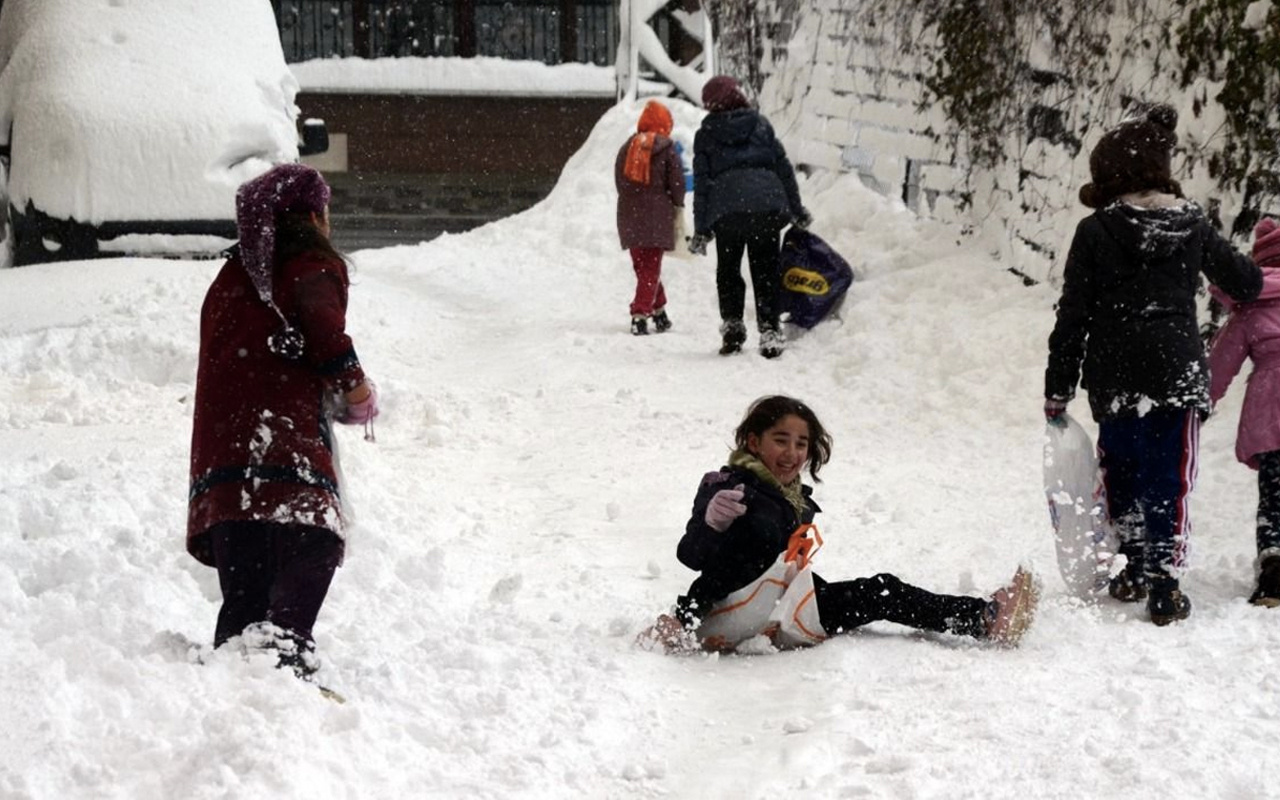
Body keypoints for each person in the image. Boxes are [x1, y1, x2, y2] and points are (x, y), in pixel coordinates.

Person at [1043, 103, 1262, 626]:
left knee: (1121, 471)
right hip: (1175, 373)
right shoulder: (1192, 225)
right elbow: (1245, 282)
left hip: (1115, 375)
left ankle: (1132, 567)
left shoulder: (1094, 232)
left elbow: (1073, 314)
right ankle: (1165, 581)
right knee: (1170, 477)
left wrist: (1058, 386)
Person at [638, 396, 1038, 654]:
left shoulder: (792, 497)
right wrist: (711, 527)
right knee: (883, 592)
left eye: (801, 444)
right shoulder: (728, 488)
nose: (792, 453)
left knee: (878, 590)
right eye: (781, 440)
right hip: (731, 613)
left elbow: (774, 565)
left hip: (773, 602)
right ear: (754, 442)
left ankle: (983, 617)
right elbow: (694, 557)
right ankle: (986, 620)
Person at [187, 163, 379, 677]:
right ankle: (282, 648)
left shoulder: (229, 278)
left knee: (246, 582)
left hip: (224, 456)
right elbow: (324, 332)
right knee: (315, 539)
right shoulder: (311, 265)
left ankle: (235, 671)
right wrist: (357, 390)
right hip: (282, 439)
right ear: (312, 215)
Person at [688, 76, 810, 359]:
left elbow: (703, 185)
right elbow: (784, 169)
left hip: (727, 212)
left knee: (728, 269)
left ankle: (733, 326)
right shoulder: (760, 125)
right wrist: (797, 209)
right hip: (766, 209)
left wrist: (702, 229)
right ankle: (769, 331)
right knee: (765, 270)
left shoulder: (706, 134)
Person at [1208, 217, 1280, 607]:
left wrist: (1197, 405)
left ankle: (1275, 575)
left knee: (1275, 500)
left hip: (1272, 418)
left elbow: (1219, 367)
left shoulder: (1251, 311)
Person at [615, 99, 686, 336]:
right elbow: (677, 181)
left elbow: (619, 180)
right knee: (651, 267)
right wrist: (677, 204)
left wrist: (632, 201)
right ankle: (640, 314)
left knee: (643, 266)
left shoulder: (627, 147)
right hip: (656, 216)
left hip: (629, 214)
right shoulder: (667, 148)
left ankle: (660, 311)